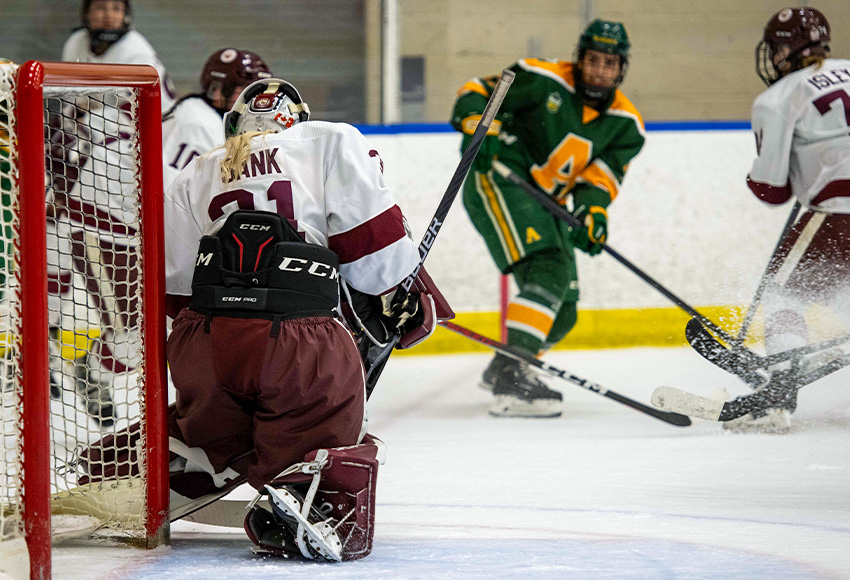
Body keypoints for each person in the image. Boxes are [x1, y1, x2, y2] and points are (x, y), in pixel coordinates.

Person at [162, 77, 439, 560]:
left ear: (233, 125)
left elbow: (177, 292)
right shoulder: (329, 142)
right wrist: (407, 296)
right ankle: (310, 495)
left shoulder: (194, 172)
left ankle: (183, 458)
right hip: (296, 339)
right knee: (331, 421)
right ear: (296, 119)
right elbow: (376, 261)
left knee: (213, 420)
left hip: (202, 341)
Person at [450, 19, 645, 418]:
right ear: (581, 58)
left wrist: (593, 211)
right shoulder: (542, 77)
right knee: (548, 270)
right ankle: (514, 380)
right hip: (501, 177)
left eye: (610, 63)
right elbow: (476, 91)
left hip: (547, 200)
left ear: (621, 67)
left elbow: (600, 178)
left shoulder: (627, 124)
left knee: (566, 308)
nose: (601, 70)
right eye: (594, 60)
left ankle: (505, 364)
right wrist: (478, 126)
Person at [727, 7, 850, 433]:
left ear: (782, 50)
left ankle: (776, 394)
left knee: (783, 299)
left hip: (838, 213)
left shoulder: (777, 99)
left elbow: (772, 191)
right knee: (843, 293)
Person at [162, 48, 272, 190]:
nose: (256, 99)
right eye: (245, 90)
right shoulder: (199, 123)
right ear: (217, 91)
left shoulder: (210, 116)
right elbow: (175, 190)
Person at [62, 0, 175, 112]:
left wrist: (83, 121)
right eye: (100, 7)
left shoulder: (135, 52)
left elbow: (131, 118)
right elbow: (74, 104)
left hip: (161, 126)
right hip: (103, 124)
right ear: (87, 13)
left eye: (116, 8)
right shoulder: (76, 43)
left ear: (125, 14)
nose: (109, 15)